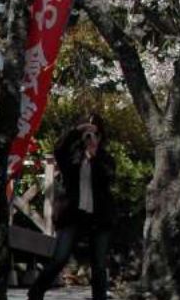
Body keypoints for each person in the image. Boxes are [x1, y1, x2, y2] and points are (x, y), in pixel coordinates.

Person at [29, 114, 116, 300]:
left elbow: (109, 177)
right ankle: (36, 292)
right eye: (88, 134)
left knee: (99, 265)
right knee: (60, 258)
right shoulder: (72, 157)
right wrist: (77, 131)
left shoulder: (106, 159)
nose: (91, 138)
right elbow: (58, 149)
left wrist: (95, 156)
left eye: (95, 134)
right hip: (72, 215)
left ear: (101, 136)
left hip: (99, 216)